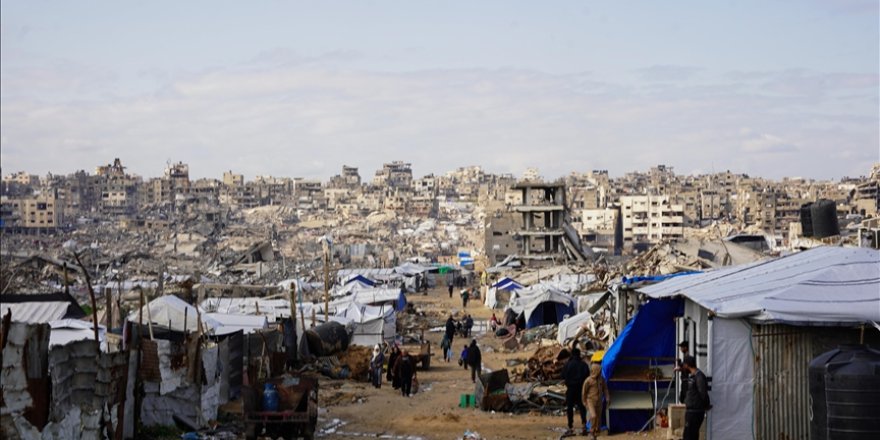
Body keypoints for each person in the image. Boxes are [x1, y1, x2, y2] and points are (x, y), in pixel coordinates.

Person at [561, 348, 590, 436]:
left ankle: (570, 426)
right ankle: (584, 424)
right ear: (579, 354)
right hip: (580, 388)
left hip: (570, 389)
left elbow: (562, 376)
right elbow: (587, 375)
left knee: (570, 408)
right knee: (582, 407)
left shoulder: (567, 365)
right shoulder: (584, 364)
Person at [682, 356, 710, 440]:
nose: (683, 366)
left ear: (687, 365)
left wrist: (705, 405)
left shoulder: (699, 376)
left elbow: (703, 393)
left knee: (689, 436)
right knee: (688, 435)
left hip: (695, 412)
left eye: (684, 365)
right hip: (691, 411)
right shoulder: (693, 376)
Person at [582, 363, 610, 440]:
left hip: (599, 401)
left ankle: (595, 433)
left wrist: (607, 397)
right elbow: (584, 392)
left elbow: (605, 389)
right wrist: (584, 402)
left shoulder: (602, 379)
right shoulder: (588, 381)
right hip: (590, 401)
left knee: (598, 418)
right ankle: (591, 431)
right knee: (593, 416)